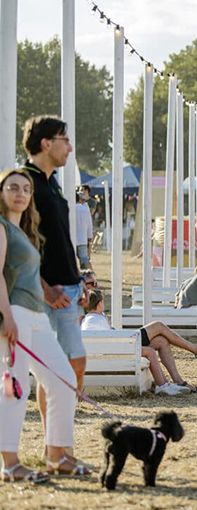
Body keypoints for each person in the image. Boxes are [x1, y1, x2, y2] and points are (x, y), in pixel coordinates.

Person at [0, 168, 87, 481]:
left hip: (36, 315)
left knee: (63, 380)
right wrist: (7, 318)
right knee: (14, 389)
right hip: (16, 317)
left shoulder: (23, 230)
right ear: (1, 193)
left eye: (25, 188)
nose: (20, 193)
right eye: (13, 187)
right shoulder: (1, 228)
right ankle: (9, 463)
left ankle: (56, 455)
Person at [22, 117, 90, 434]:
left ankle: (57, 440)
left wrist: (81, 278)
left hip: (69, 288)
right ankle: (57, 440)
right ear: (46, 143)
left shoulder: (51, 182)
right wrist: (46, 288)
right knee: (65, 366)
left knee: (65, 367)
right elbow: (19, 244)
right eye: (65, 139)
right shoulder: (26, 183)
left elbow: (61, 236)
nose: (70, 147)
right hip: (49, 293)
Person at [81, 290, 197, 395]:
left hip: (117, 350)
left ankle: (175, 382)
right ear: (99, 304)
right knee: (158, 326)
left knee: (161, 341)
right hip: (120, 351)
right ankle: (195, 350)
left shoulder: (90, 320)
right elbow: (111, 342)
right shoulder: (97, 320)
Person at [74, 191, 93, 270]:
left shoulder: (69, 208)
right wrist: (89, 237)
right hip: (82, 238)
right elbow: (89, 224)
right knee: (85, 260)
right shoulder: (85, 209)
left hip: (71, 238)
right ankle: (90, 278)